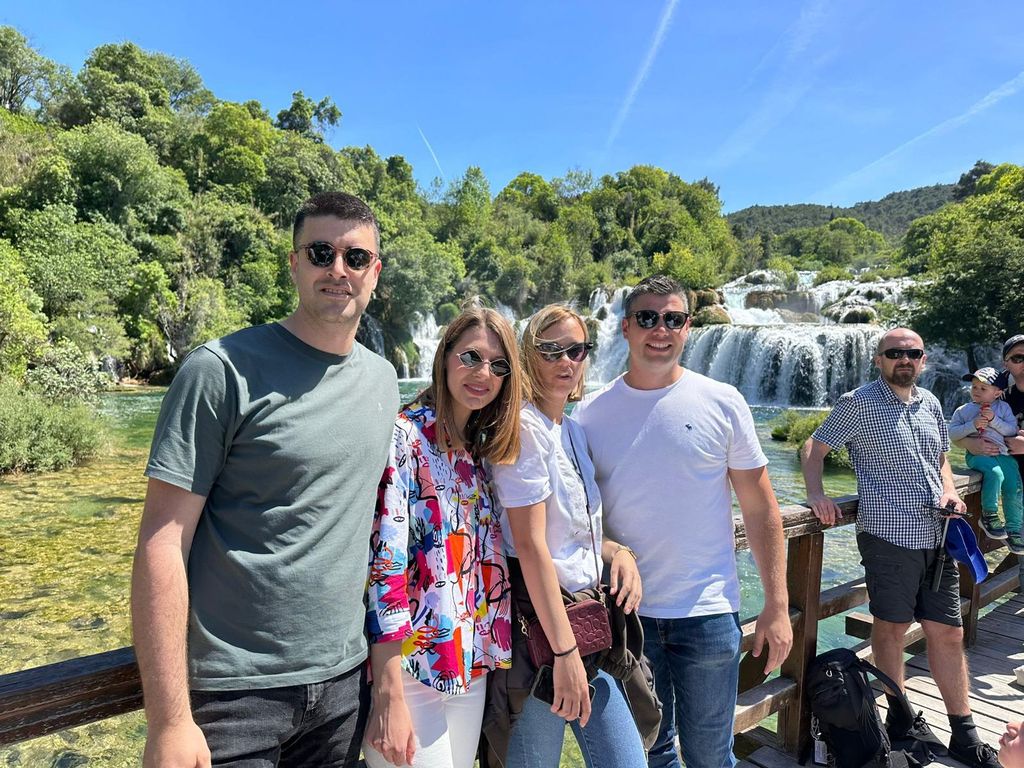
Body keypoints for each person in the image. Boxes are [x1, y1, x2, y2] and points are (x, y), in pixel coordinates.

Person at [131, 192, 400, 767]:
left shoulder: (383, 381)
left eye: (355, 257)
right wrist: (169, 720)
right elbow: (161, 540)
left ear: (374, 273)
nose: (338, 269)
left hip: (343, 690)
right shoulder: (219, 370)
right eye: (321, 252)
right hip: (233, 697)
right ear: (294, 262)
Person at [573, 275, 793, 768]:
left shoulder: (723, 401)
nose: (661, 329)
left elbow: (761, 509)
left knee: (711, 756)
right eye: (648, 318)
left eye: (673, 318)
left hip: (708, 612)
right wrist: (613, 551)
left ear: (688, 328)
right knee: (651, 754)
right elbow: (579, 515)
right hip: (627, 617)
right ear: (626, 327)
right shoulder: (589, 413)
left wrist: (777, 605)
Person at [801, 328, 999, 768]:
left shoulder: (929, 402)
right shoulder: (858, 402)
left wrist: (950, 491)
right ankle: (901, 717)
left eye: (912, 353)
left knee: (949, 631)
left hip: (937, 535)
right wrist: (816, 494)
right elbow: (813, 446)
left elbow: (941, 458)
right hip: (889, 537)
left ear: (923, 360)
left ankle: (964, 733)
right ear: (879, 359)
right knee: (891, 628)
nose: (904, 359)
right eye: (894, 353)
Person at [488, 304, 651, 768]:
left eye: (577, 350)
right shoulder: (523, 430)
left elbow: (576, 532)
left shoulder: (572, 431)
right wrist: (565, 654)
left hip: (589, 623)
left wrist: (619, 552)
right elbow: (531, 547)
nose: (566, 361)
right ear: (527, 355)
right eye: (551, 350)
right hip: (542, 636)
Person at [363, 306, 523, 768]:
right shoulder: (404, 437)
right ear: (445, 356)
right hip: (411, 671)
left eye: (498, 365)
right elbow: (385, 565)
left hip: (467, 664)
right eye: (471, 357)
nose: (483, 373)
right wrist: (388, 692)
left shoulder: (478, 450)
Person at [948, 366, 1024, 552]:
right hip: (978, 456)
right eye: (974, 387)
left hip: (1003, 455)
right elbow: (952, 434)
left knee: (1014, 485)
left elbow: (1011, 430)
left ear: (997, 393)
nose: (977, 391)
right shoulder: (964, 410)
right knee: (995, 475)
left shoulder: (1003, 408)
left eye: (983, 388)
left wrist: (993, 420)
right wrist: (972, 425)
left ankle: (1014, 529)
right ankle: (989, 516)